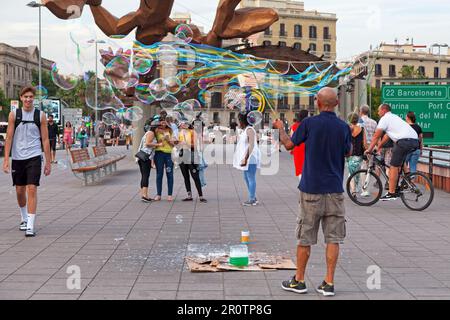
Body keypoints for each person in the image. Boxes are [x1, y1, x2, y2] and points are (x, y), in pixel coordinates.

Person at [274, 87, 352, 297]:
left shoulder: (309, 123)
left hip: (311, 190)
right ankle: (329, 282)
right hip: (335, 190)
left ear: (317, 103)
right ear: (336, 104)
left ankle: (299, 280)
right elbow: (349, 151)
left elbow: (290, 144)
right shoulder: (343, 127)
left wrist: (281, 128)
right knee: (333, 238)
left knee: (305, 237)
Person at [2, 86, 52, 237]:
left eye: (31, 97)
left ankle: (30, 224)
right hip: (18, 158)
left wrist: (48, 162)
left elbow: (45, 139)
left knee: (32, 188)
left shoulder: (40, 115)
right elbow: (9, 138)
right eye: (26, 97)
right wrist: (6, 160)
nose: (29, 99)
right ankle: (24, 217)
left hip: (34, 156)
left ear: (34, 99)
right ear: (21, 98)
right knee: (19, 190)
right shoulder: (14, 115)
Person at [365, 104, 419, 201]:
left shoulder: (385, 118)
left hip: (404, 141)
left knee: (393, 166)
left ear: (384, 110)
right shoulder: (394, 117)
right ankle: (406, 182)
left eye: (378, 110)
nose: (378, 113)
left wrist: (369, 149)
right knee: (398, 163)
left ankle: (392, 192)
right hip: (414, 140)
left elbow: (376, 136)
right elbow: (387, 136)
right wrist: (379, 147)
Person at [233, 111, 261, 206]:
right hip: (247, 157)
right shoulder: (245, 130)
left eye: (239, 120)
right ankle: (252, 196)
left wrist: (245, 158)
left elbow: (251, 145)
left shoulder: (250, 130)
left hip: (251, 158)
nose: (238, 122)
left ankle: (252, 199)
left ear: (243, 121)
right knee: (246, 177)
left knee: (250, 177)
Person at [178, 121, 207, 203]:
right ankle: (189, 195)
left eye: (185, 123)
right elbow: (177, 145)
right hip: (182, 155)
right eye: (182, 123)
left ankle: (201, 196)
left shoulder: (192, 132)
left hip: (192, 155)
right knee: (185, 176)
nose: (183, 125)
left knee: (195, 176)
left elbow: (194, 145)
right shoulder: (180, 133)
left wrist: (185, 144)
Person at [137, 121, 161, 203]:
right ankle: (144, 196)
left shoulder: (149, 132)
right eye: (159, 128)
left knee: (144, 176)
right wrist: (158, 145)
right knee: (145, 176)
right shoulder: (151, 133)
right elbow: (147, 144)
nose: (159, 130)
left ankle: (145, 195)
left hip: (143, 157)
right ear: (155, 128)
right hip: (145, 157)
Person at [154, 117, 176, 201]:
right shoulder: (156, 131)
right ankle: (158, 194)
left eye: (165, 123)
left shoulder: (170, 131)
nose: (163, 124)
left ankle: (170, 194)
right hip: (159, 153)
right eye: (161, 122)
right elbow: (152, 141)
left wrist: (169, 140)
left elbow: (174, 145)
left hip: (169, 154)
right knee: (159, 174)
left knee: (169, 174)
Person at [346, 113, 367, 197]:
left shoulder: (347, 129)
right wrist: (366, 152)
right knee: (357, 172)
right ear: (357, 119)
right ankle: (354, 189)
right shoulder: (362, 129)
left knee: (351, 172)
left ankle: (353, 190)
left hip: (350, 155)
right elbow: (364, 143)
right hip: (359, 154)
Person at [290, 110, 309, 180]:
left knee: (299, 169)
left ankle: (302, 184)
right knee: (307, 167)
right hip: (308, 148)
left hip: (297, 148)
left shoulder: (294, 126)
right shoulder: (309, 125)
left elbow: (291, 138)